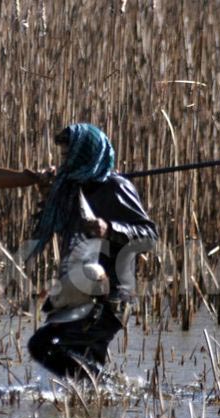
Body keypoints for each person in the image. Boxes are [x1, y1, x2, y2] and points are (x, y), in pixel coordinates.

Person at [26, 123, 158, 379]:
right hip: (77, 289)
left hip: (108, 296)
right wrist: (46, 190)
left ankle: (108, 391)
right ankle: (100, 398)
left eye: (68, 156)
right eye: (62, 157)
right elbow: (58, 224)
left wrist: (108, 227)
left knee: (52, 348)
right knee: (49, 348)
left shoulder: (116, 187)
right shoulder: (70, 187)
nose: (64, 162)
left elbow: (149, 235)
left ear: (83, 155)